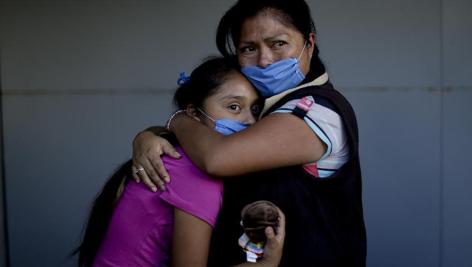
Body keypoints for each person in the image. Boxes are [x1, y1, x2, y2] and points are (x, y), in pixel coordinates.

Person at [132, 0, 367, 266]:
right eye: (249, 48)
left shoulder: (318, 112)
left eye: (278, 43)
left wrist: (178, 120)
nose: (265, 61)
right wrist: (150, 135)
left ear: (309, 44)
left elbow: (218, 157)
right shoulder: (261, 109)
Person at [75, 57, 285, 267]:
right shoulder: (193, 171)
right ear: (194, 113)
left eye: (255, 109)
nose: (250, 120)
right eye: (233, 107)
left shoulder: (176, 156)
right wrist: (266, 264)